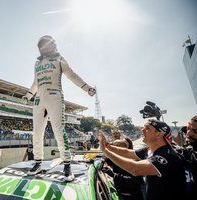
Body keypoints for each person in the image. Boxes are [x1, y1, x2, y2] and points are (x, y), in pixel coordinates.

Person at [22, 35, 95, 181]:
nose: (42, 47)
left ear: (52, 45)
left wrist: (87, 88)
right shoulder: (37, 63)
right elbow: (35, 82)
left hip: (55, 97)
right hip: (39, 100)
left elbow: (72, 75)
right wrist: (28, 95)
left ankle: (67, 165)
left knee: (59, 131)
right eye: (40, 45)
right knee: (36, 133)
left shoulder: (59, 59)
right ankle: (37, 163)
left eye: (45, 44)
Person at [99, 119, 186, 200]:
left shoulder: (166, 156)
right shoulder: (149, 150)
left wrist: (105, 151)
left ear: (159, 134)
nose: (142, 129)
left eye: (147, 128)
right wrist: (107, 145)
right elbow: (127, 152)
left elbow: (135, 169)